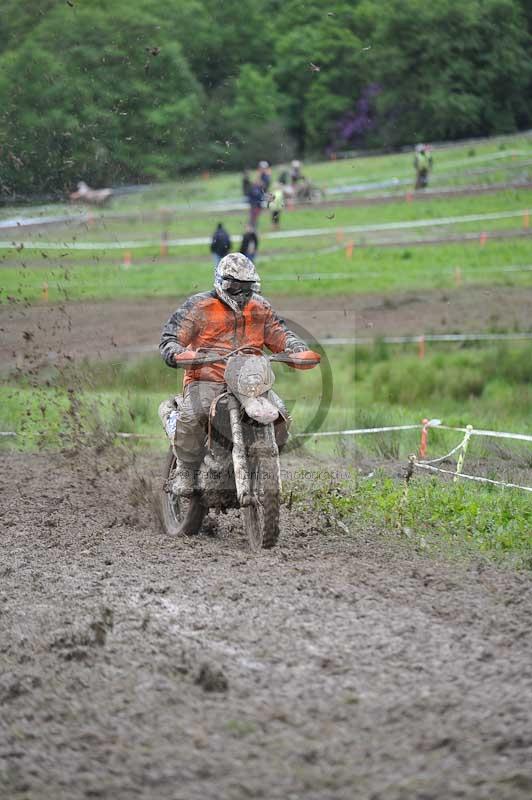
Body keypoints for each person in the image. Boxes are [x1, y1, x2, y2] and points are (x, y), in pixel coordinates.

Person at [158, 253, 308, 495]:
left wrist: (295, 347)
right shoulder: (199, 306)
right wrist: (178, 352)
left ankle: (261, 463)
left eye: (247, 288)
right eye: (235, 287)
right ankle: (185, 471)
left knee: (281, 414)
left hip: (250, 382)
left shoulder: (260, 307)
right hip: (207, 378)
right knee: (195, 413)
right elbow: (170, 338)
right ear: (222, 282)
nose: (241, 294)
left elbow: (280, 334)